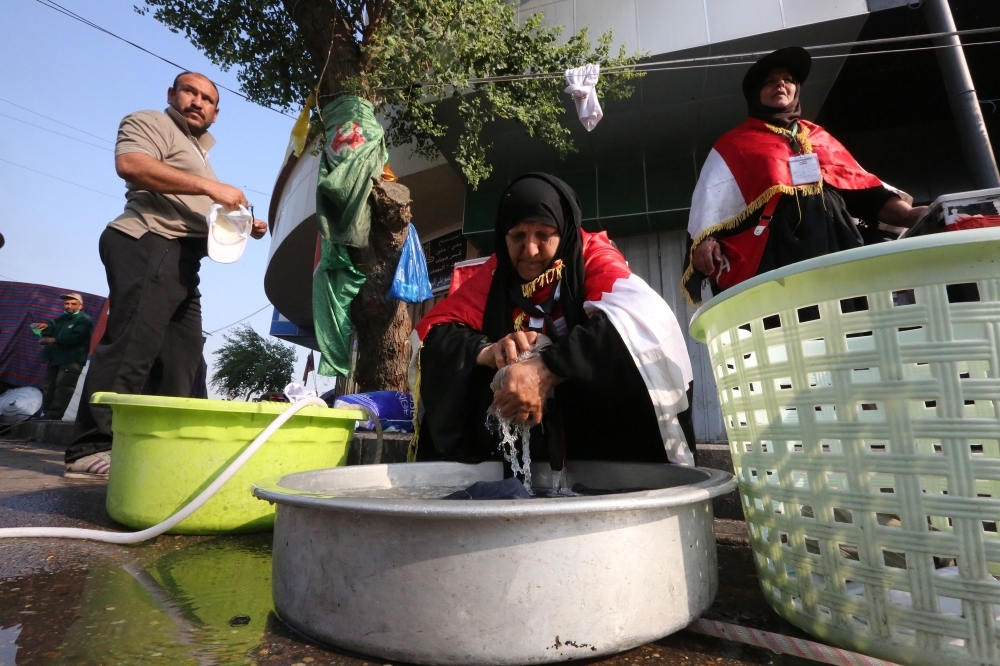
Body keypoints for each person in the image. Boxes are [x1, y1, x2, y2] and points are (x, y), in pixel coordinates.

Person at [409, 173, 695, 470]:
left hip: (604, 442)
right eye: (517, 236)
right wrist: (488, 351)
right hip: (520, 445)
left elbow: (641, 320)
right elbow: (434, 333)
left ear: (564, 231)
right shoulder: (496, 274)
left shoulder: (591, 256)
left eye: (544, 236)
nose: (530, 250)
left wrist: (544, 369)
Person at [65, 71, 268, 479]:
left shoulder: (199, 152)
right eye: (189, 92)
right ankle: (90, 448)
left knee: (181, 356)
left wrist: (244, 220)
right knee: (132, 345)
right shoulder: (152, 122)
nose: (197, 101)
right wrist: (213, 189)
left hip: (182, 259)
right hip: (148, 241)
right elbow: (132, 164)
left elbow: (197, 205)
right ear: (172, 94)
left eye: (207, 98)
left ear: (216, 112)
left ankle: (152, 447)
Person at [683, 47, 928, 303]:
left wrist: (910, 214)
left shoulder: (818, 136)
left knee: (852, 315)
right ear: (756, 93)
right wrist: (706, 239)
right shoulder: (733, 144)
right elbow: (712, 203)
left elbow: (865, 191)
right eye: (769, 81)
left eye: (787, 80)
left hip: (838, 244)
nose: (780, 84)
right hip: (776, 255)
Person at [30, 293, 94, 420]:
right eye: (66, 303)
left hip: (72, 360)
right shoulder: (61, 319)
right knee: (49, 386)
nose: (69, 306)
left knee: (63, 387)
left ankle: (54, 415)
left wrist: (53, 340)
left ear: (80, 306)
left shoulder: (85, 320)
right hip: (55, 358)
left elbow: (74, 338)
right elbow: (50, 328)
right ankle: (47, 414)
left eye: (73, 304)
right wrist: (42, 327)